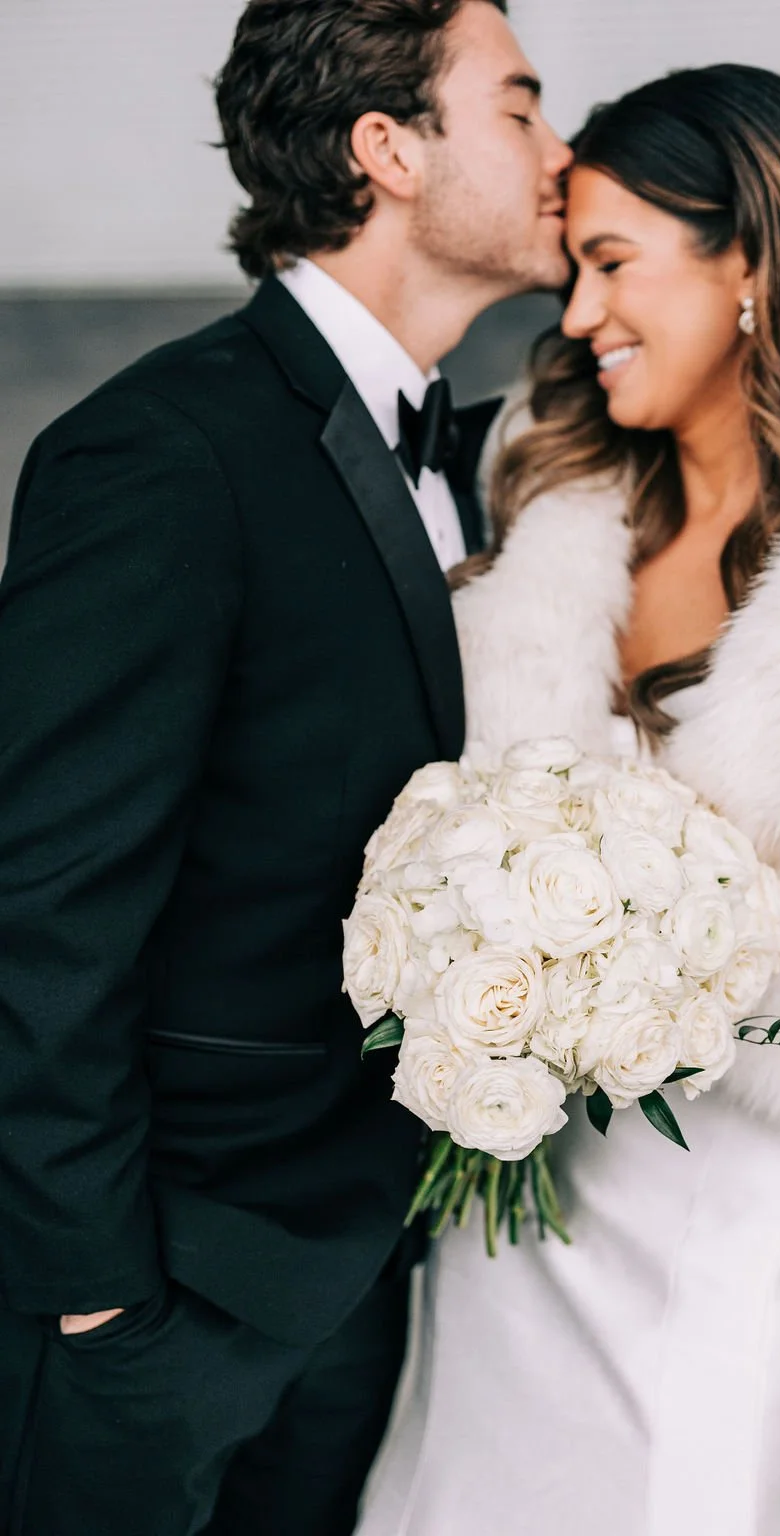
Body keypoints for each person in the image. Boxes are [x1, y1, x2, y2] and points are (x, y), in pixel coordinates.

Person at [354, 64, 780, 1536]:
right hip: (522, 1215)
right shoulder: (553, 518)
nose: (575, 316)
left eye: (610, 265)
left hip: (755, 1228)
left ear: (753, 264)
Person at [0, 2, 571, 1533]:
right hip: (166, 1300)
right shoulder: (165, 454)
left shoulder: (465, 455)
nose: (558, 155)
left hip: (359, 1283)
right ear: (389, 148)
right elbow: (42, 903)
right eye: (519, 109)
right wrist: (98, 1309)